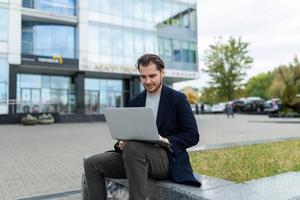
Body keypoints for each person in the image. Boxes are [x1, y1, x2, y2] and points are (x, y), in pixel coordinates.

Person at [84, 54, 201, 200]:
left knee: (133, 148)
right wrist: (121, 143)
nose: (147, 81)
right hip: (134, 158)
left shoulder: (177, 99)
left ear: (162, 73)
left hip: (165, 160)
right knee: (92, 163)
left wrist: (165, 139)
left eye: (152, 76)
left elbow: (192, 135)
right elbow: (128, 133)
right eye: (143, 77)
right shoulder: (136, 101)